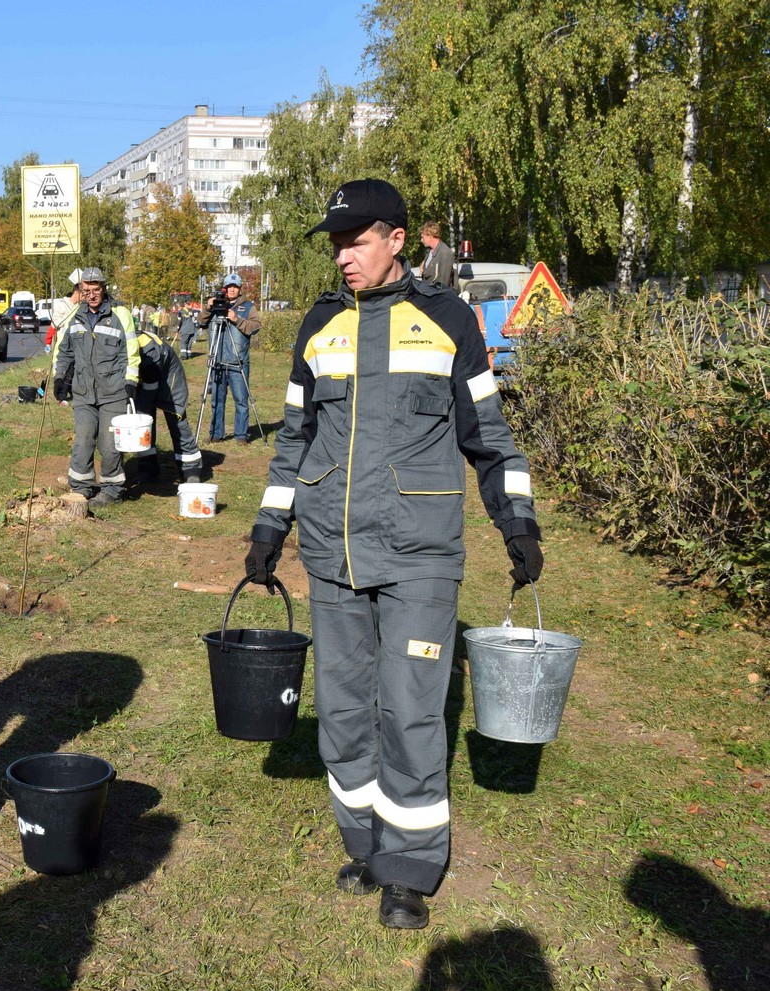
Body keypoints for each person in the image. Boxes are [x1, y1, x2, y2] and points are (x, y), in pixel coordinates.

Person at [244, 178, 544, 930]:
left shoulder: (449, 322)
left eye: (356, 240)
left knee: (410, 709)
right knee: (344, 709)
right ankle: (364, 842)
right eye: (336, 243)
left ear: (396, 239)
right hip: (331, 552)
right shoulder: (318, 326)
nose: (343, 255)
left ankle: (408, 867)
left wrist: (517, 521)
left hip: (420, 551)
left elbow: (490, 436)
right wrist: (267, 529)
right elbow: (292, 443)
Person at [51, 267, 141, 511]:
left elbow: (130, 351)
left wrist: (131, 380)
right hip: (83, 393)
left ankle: (113, 490)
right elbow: (63, 351)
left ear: (104, 289)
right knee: (83, 440)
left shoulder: (120, 314)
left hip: (114, 392)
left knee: (110, 445)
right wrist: (59, 379)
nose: (91, 295)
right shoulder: (74, 316)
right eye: (86, 290)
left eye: (96, 290)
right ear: (80, 291)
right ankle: (81, 487)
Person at [133, 325, 203, 484]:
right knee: (143, 426)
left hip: (167, 373)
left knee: (177, 419)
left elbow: (151, 386)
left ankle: (190, 469)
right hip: (139, 378)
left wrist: (141, 412)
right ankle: (147, 468)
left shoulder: (148, 348)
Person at [200, 274, 260, 443]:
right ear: (224, 288)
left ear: (240, 289)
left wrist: (236, 319)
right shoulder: (215, 306)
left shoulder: (248, 307)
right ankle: (216, 434)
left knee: (241, 400)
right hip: (218, 361)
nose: (232, 289)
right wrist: (208, 307)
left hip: (237, 362)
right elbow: (201, 322)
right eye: (229, 286)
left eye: (235, 286)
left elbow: (255, 327)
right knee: (217, 400)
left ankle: (241, 435)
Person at [417, 220, 457, 291]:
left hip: (437, 298)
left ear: (430, 235)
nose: (421, 240)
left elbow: (443, 285)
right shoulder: (429, 251)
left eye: (423, 237)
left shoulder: (445, 253)